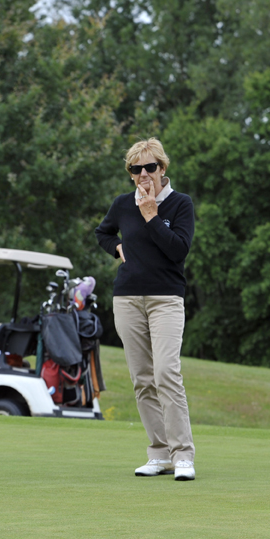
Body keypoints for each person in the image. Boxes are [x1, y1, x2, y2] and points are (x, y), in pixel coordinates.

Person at [95, 138, 197, 481]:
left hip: (166, 299)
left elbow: (178, 250)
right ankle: (160, 454)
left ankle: (183, 455)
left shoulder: (180, 204)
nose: (143, 174)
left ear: (162, 168)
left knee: (166, 373)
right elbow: (103, 232)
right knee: (142, 379)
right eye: (135, 168)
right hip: (127, 299)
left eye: (149, 167)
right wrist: (117, 247)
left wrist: (152, 215)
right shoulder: (122, 204)